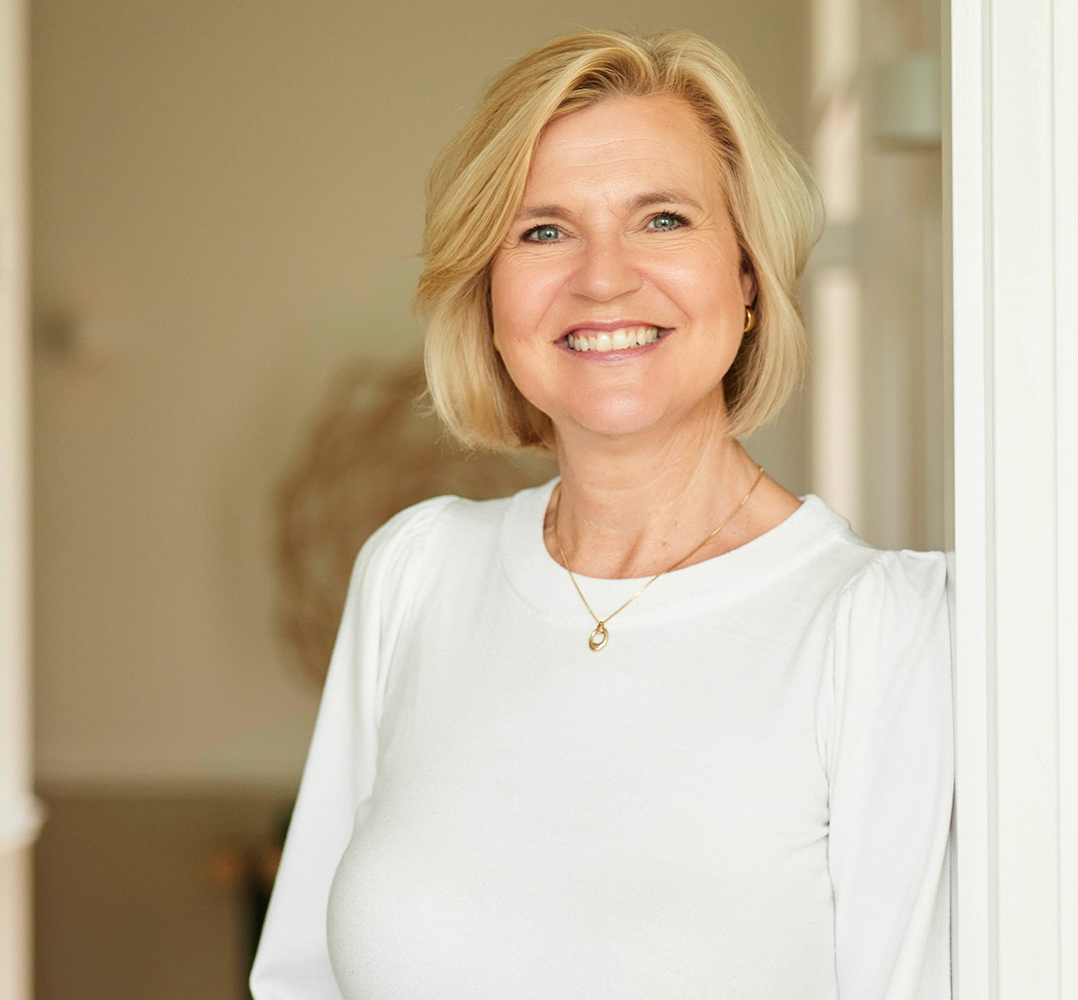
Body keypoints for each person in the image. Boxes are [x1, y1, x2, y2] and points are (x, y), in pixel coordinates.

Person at [248, 28, 952, 1000]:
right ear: (489, 293)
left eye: (662, 219)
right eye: (543, 231)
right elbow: (301, 981)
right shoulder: (416, 570)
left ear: (747, 274)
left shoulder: (880, 626)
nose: (604, 276)